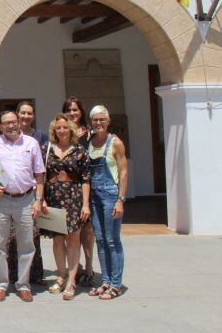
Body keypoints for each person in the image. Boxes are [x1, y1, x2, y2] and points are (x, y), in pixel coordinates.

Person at [0, 110, 46, 303]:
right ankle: (1, 284)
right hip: (1, 201)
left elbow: (39, 175)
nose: (10, 125)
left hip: (26, 199)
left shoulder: (31, 143)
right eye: (6, 123)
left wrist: (38, 200)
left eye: (13, 122)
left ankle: (23, 285)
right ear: (0, 126)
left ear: (18, 122)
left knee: (27, 244)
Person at [41, 114, 90, 300]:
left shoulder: (79, 151)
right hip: (53, 198)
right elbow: (41, 177)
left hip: (73, 198)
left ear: (71, 129)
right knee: (57, 239)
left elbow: (86, 179)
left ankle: (71, 279)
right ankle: (61, 275)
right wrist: (41, 199)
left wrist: (85, 204)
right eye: (58, 127)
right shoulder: (46, 149)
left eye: (64, 127)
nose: (61, 130)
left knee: (73, 239)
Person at [87, 105, 128, 300]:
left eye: (102, 119)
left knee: (112, 240)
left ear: (108, 121)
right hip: (94, 195)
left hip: (110, 194)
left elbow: (123, 171)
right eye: (95, 120)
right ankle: (105, 280)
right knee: (101, 240)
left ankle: (116, 284)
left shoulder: (115, 143)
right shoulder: (89, 140)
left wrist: (121, 199)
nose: (98, 123)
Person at [9, 101, 46, 285]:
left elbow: (43, 169)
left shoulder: (41, 136)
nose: (25, 116)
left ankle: (34, 275)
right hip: (14, 193)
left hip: (34, 192)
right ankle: (14, 275)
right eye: (22, 113)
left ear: (34, 115)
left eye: (29, 113)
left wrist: (41, 197)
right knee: (13, 237)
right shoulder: (10, 136)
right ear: (16, 115)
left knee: (32, 236)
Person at [62, 96, 95, 287]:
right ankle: (75, 268)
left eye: (75, 110)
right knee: (70, 233)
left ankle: (89, 268)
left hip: (85, 185)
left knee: (87, 231)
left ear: (81, 111)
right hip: (66, 190)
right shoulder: (62, 133)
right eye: (69, 110)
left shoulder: (89, 133)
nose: (72, 113)